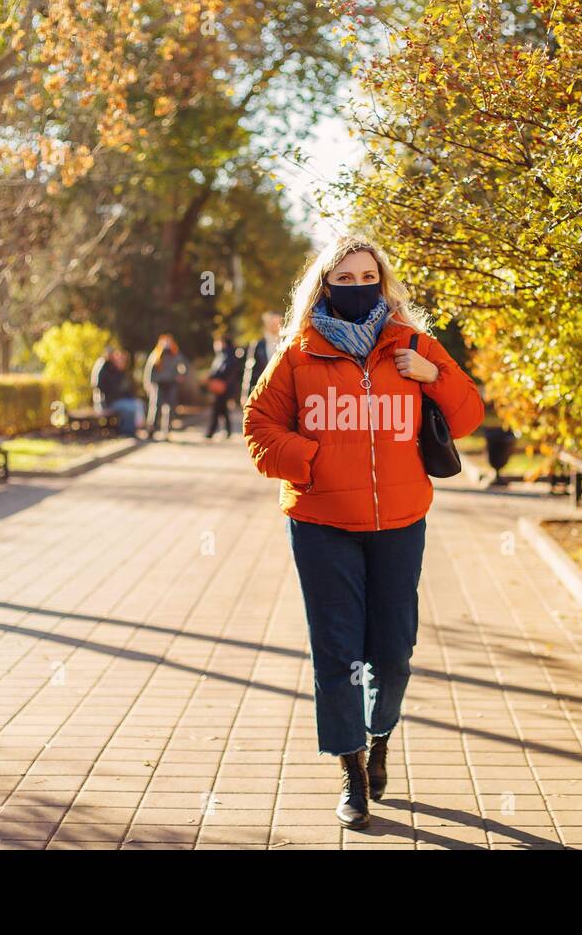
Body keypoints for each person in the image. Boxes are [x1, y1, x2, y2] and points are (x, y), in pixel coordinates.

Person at [242, 234, 484, 830]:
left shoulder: (412, 344)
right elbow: (257, 425)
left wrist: (431, 374)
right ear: (324, 286)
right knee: (337, 652)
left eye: (365, 277)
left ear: (383, 280)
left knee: (394, 651)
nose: (356, 288)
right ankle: (351, 773)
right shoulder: (298, 353)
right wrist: (311, 461)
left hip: (400, 522)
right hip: (322, 524)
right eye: (343, 280)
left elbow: (470, 413)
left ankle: (380, 737)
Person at [142, 333, 188, 440]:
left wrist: (181, 376)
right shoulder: (156, 354)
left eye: (168, 341)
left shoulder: (175, 354)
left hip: (171, 384)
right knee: (155, 407)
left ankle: (166, 431)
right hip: (158, 384)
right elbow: (149, 371)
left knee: (170, 408)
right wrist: (148, 384)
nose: (166, 344)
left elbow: (185, 366)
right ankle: (151, 430)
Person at [91, 346, 139, 437]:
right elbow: (101, 387)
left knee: (133, 405)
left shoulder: (113, 368)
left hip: (113, 400)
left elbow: (122, 389)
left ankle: (130, 431)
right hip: (105, 402)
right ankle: (127, 432)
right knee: (129, 408)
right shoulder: (104, 367)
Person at [240, 310, 283, 404]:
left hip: (282, 394)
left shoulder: (287, 343)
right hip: (262, 393)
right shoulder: (257, 345)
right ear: (266, 324)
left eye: (277, 321)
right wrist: (245, 395)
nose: (275, 324)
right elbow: (250, 371)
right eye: (272, 322)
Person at [204, 334, 240, 439]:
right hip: (221, 387)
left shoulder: (228, 355)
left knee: (217, 410)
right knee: (223, 410)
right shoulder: (222, 355)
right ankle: (227, 431)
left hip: (223, 387)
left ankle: (211, 432)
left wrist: (213, 377)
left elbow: (225, 370)